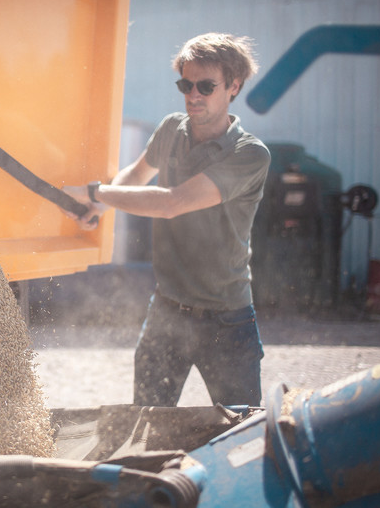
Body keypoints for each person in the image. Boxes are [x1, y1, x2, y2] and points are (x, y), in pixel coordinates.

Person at [63, 33, 270, 407]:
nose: (193, 95)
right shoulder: (172, 129)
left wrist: (95, 192)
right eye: (185, 85)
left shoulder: (250, 155)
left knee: (241, 432)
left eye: (206, 86)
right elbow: (137, 175)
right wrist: (99, 208)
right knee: (147, 425)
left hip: (227, 320)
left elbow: (173, 203)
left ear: (234, 86)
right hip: (167, 313)